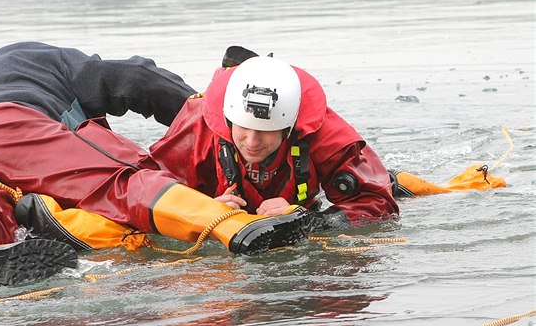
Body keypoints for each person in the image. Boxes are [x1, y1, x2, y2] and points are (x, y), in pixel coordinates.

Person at [0, 42, 316, 286]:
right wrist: (207, 113)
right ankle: (233, 226)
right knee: (122, 181)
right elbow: (137, 79)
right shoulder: (59, 67)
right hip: (9, 126)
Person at [149, 47, 400, 229]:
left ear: (289, 127)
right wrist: (203, 211)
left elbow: (377, 205)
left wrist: (305, 220)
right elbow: (148, 195)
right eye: (243, 128)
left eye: (266, 131)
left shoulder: (325, 133)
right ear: (227, 120)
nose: (252, 141)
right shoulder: (198, 126)